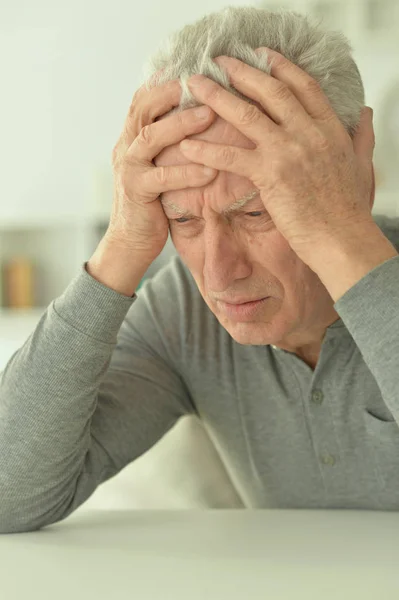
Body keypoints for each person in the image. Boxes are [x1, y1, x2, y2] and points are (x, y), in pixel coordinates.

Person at [1, 6, 398, 534]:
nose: (218, 273)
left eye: (255, 212)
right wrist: (122, 242)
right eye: (181, 218)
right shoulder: (181, 315)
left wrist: (342, 235)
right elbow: (10, 498)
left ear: (356, 169)